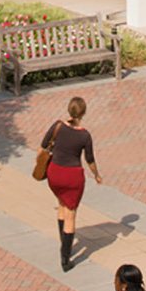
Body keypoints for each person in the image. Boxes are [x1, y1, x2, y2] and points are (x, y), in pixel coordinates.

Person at [42, 94, 98, 271]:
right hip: (72, 177)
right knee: (71, 215)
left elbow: (43, 146)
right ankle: (65, 258)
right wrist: (97, 175)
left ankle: (62, 242)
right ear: (83, 113)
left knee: (61, 203)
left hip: (54, 174)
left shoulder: (57, 126)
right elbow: (90, 159)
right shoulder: (85, 136)